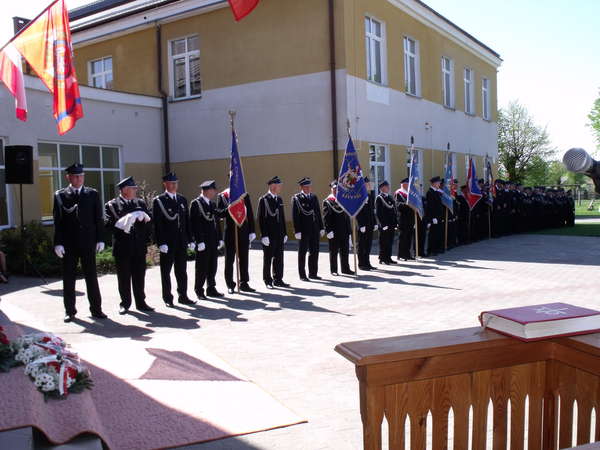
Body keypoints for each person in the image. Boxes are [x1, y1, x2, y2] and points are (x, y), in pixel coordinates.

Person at [53, 163, 106, 322]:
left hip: (88, 242)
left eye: (81, 176)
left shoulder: (92, 194)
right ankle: (70, 311)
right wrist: (58, 243)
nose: (79, 179)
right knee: (69, 278)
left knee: (91, 277)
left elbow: (98, 218)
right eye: (75, 176)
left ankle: (96, 309)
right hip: (69, 244)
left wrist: (100, 239)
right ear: (68, 177)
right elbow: (58, 221)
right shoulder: (61, 195)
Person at [104, 176, 154, 314]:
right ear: (125, 190)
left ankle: (141, 302)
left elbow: (150, 222)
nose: (135, 190)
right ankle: (125, 304)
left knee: (139, 276)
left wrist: (144, 219)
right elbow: (109, 225)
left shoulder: (140, 203)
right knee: (124, 277)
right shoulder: (112, 205)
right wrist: (125, 221)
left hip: (139, 246)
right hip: (123, 247)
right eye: (133, 188)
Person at [152, 172, 196, 307]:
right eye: (171, 183)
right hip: (168, 243)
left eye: (175, 183)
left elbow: (186, 221)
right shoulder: (159, 201)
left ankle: (183, 296)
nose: (174, 185)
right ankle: (168, 298)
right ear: (165, 184)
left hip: (181, 241)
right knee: (166, 272)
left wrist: (190, 239)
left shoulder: (182, 199)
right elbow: (157, 224)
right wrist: (161, 242)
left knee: (181, 271)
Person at [216, 182, 257, 294]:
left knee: (244, 258)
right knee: (229, 260)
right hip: (230, 232)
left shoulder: (244, 195)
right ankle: (230, 284)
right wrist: (229, 209)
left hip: (243, 230)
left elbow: (250, 213)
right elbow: (219, 214)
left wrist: (252, 231)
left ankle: (244, 283)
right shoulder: (223, 195)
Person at [190, 180, 224, 299]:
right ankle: (199, 290)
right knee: (202, 267)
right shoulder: (196, 203)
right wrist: (199, 241)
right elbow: (194, 224)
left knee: (212, 266)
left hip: (213, 240)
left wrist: (220, 238)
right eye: (213, 190)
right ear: (207, 191)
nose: (215, 192)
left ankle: (211, 288)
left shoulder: (212, 204)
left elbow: (217, 221)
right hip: (203, 241)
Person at [258, 176, 289, 288]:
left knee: (279, 258)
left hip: (279, 234)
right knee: (268, 259)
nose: (280, 188)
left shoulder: (279, 199)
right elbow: (261, 218)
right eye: (279, 185)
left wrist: (285, 233)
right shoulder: (264, 199)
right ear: (272, 186)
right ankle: (267, 280)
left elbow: (282, 217)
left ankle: (278, 279)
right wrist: (264, 235)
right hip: (269, 235)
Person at [292, 177, 324, 281]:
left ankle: (313, 273)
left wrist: (321, 227)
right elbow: (295, 216)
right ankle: (302, 275)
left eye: (309, 186)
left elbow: (318, 213)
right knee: (302, 253)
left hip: (314, 229)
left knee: (314, 251)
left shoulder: (313, 197)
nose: (308, 188)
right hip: (303, 230)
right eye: (306, 187)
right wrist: (297, 230)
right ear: (301, 187)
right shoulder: (297, 198)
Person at [323, 181, 354, 276]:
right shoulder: (328, 201)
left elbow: (347, 216)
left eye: (337, 189)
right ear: (331, 189)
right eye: (334, 189)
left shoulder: (343, 200)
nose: (336, 190)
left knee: (345, 251)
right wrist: (328, 230)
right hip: (334, 231)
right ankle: (334, 270)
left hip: (344, 230)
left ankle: (345, 269)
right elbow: (326, 217)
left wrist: (349, 230)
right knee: (334, 251)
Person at [356, 177, 377, 270]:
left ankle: (367, 263)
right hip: (363, 225)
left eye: (368, 184)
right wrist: (361, 224)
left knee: (368, 245)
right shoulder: (358, 196)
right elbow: (358, 211)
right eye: (367, 184)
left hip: (370, 224)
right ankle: (361, 264)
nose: (368, 185)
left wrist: (375, 222)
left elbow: (372, 211)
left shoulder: (370, 196)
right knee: (362, 245)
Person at [375, 180, 397, 264]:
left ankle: (388, 257)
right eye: (386, 186)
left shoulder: (390, 197)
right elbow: (379, 212)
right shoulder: (379, 198)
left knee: (390, 241)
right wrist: (383, 224)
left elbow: (394, 211)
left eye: (388, 186)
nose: (388, 187)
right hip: (384, 224)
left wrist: (395, 222)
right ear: (381, 188)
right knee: (384, 242)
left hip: (391, 224)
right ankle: (382, 258)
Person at [394, 178, 414, 261]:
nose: (409, 185)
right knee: (403, 237)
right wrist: (407, 205)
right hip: (403, 218)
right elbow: (398, 205)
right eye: (407, 183)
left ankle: (407, 254)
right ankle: (401, 255)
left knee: (409, 237)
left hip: (410, 218)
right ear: (403, 184)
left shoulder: (409, 193)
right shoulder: (399, 193)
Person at [425, 176, 444, 255]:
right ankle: (431, 250)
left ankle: (437, 248)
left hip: (438, 217)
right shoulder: (430, 192)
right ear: (434, 183)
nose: (439, 184)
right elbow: (430, 207)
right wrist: (432, 218)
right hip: (434, 217)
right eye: (438, 183)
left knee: (438, 233)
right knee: (433, 234)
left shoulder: (436, 192)